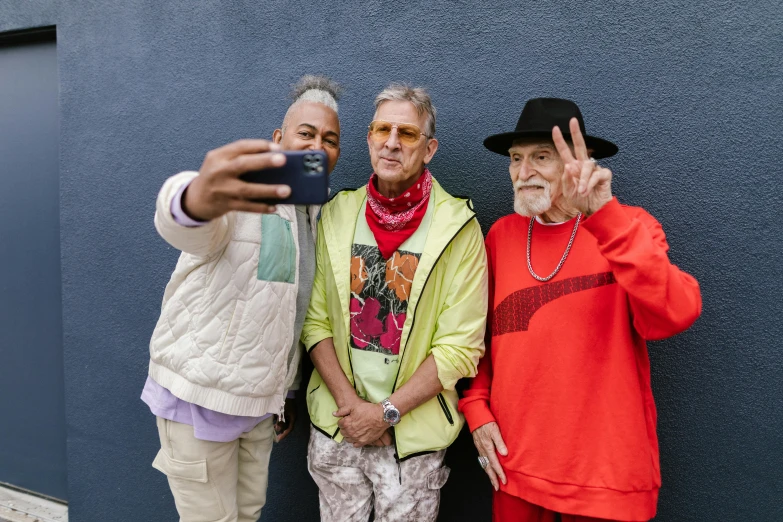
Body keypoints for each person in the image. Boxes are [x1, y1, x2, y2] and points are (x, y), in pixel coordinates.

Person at [459, 98, 702, 522]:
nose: (523, 172)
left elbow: (676, 312)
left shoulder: (631, 226)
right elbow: (477, 336)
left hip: (602, 478)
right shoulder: (502, 235)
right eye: (516, 159)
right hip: (514, 467)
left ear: (580, 163)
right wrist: (477, 408)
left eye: (541, 157)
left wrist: (603, 215)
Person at [141, 75, 342, 522]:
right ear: (279, 139)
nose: (316, 145)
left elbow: (289, 309)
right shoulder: (245, 190)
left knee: (248, 514)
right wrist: (190, 199)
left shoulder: (319, 214)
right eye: (305, 133)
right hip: (200, 400)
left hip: (258, 407)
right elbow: (188, 220)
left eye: (329, 139)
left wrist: (285, 392)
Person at [301, 84, 488, 522]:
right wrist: (354, 411)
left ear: (429, 148)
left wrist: (385, 414)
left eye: (406, 133)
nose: (391, 141)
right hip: (338, 427)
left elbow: (460, 348)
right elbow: (315, 323)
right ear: (368, 139)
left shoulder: (459, 229)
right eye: (381, 129)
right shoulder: (336, 213)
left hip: (411, 443)